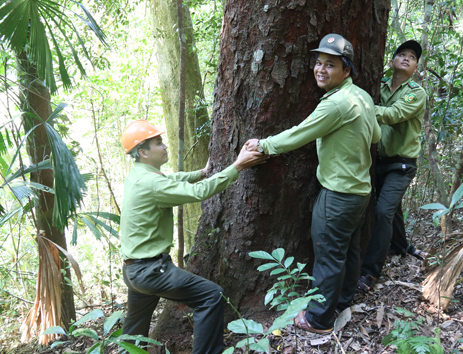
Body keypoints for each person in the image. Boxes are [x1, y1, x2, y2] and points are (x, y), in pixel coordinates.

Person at [246, 34, 381, 334]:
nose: (320, 70)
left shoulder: (335, 105)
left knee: (329, 256)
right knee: (348, 251)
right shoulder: (362, 97)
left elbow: (299, 134)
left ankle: (319, 319)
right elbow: (376, 137)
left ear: (346, 70)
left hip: (338, 195)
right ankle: (342, 301)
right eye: (318, 63)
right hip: (359, 192)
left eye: (330, 65)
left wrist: (263, 145)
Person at [119, 119, 267, 354]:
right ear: (142, 152)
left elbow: (170, 180)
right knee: (211, 295)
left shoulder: (139, 175)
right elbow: (200, 193)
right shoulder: (151, 183)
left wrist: (202, 172)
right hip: (151, 271)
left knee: (134, 332)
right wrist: (237, 166)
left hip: (133, 272)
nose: (164, 145)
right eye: (158, 143)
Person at [357, 40, 428, 292]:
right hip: (379, 161)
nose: (407, 58)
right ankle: (401, 246)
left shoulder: (415, 92)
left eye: (412, 57)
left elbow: (394, 114)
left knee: (383, 211)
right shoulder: (380, 88)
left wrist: (356, 105)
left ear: (417, 67)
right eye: (402, 54)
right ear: (392, 61)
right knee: (392, 208)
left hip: (402, 164)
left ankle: (370, 272)